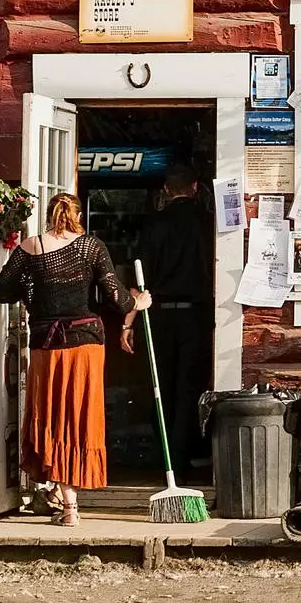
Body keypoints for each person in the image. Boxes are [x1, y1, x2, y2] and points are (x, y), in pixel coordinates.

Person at [0, 193, 149, 526]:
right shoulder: (91, 246)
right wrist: (140, 302)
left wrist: (33, 290)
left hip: (47, 345)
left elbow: (1, 289)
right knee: (79, 419)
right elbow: (117, 297)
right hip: (86, 344)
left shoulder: (32, 247)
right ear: (78, 216)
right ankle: (66, 503)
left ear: (50, 215)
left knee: (52, 418)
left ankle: (61, 501)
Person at [127, 162, 215, 480]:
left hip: (159, 313)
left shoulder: (154, 226)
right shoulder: (208, 224)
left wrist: (129, 322)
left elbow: (137, 278)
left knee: (160, 386)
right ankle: (182, 457)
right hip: (196, 314)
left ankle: (166, 459)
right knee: (189, 387)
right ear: (194, 188)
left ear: (167, 190)